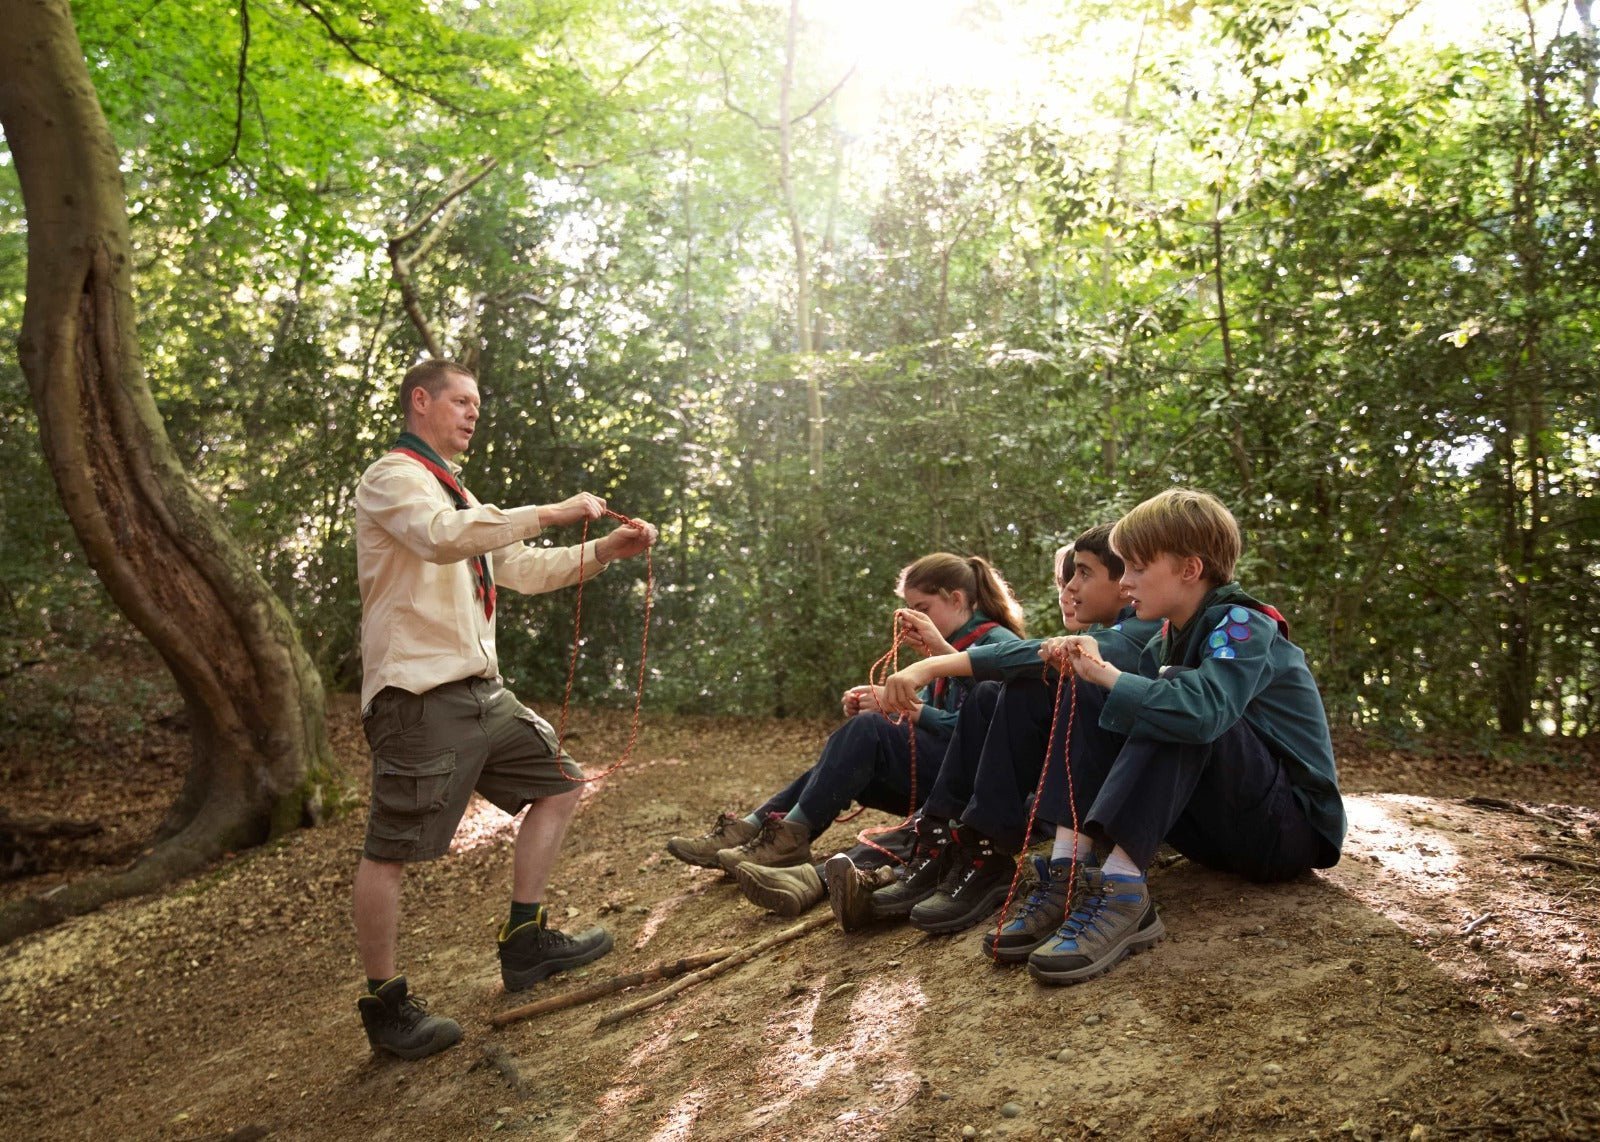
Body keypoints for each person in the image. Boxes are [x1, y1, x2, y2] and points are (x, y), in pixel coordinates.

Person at [352, 358, 658, 1060]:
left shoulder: (457, 492)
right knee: (392, 849)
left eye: (477, 406)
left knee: (561, 782)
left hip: (483, 693)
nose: (471, 415)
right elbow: (440, 535)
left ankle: (526, 942)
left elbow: (513, 568)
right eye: (460, 401)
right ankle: (385, 1005)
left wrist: (604, 548)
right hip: (419, 697)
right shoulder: (394, 477)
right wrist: (551, 510)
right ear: (420, 401)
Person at [994, 489, 1344, 985]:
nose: (1126, 580)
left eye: (1136, 567)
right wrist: (1093, 670)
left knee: (1180, 699)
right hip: (1219, 831)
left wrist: (1110, 676)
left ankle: (1122, 892)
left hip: (1286, 834)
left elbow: (1202, 712)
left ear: (1189, 569)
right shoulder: (1166, 636)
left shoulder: (1244, 623)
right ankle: (1068, 869)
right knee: (1097, 683)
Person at [831, 525, 1160, 942]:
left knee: (1018, 683)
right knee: (991, 693)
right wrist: (938, 658)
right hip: (1048, 780)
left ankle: (987, 850)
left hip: (1100, 791)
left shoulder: (1140, 633)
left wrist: (931, 668)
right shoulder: (1107, 632)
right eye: (1069, 577)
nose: (1070, 588)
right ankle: (950, 845)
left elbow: (1026, 656)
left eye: (1083, 574)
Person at [665, 553, 1026, 892]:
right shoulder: (946, 648)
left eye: (923, 609)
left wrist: (910, 712)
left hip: (972, 786)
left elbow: (991, 728)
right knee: (858, 738)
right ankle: (758, 828)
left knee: (867, 733)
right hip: (938, 773)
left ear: (957, 598)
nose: (916, 620)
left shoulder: (997, 642)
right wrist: (886, 706)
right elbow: (928, 725)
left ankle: (785, 837)